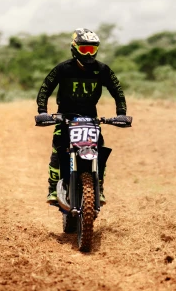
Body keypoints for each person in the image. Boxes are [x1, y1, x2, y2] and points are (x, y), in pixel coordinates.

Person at [36, 28, 127, 204]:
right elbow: (45, 89)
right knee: (58, 149)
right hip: (65, 118)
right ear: (75, 48)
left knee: (99, 149)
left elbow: (118, 92)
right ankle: (53, 189)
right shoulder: (63, 69)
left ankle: (98, 187)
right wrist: (42, 112)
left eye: (92, 49)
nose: (88, 53)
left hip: (91, 119)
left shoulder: (102, 70)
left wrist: (121, 114)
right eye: (84, 49)